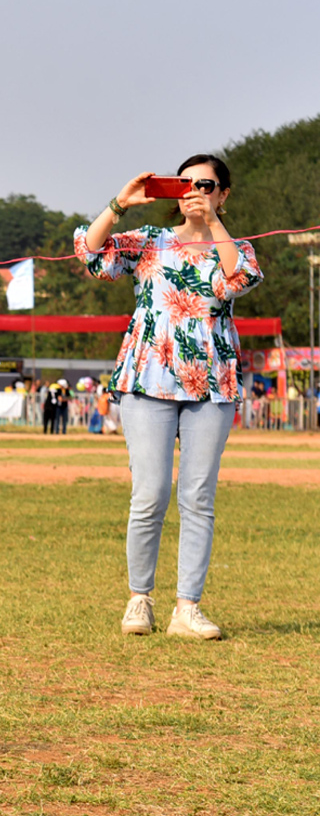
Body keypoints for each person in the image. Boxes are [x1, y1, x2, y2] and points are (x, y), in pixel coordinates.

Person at [75, 154, 262, 641]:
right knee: (150, 493)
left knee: (198, 496)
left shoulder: (235, 246)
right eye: (187, 183)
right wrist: (120, 202)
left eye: (207, 184)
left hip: (211, 382)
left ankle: (188, 608)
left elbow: (238, 278)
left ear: (223, 193)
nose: (196, 190)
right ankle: (140, 600)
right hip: (148, 379)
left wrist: (212, 221)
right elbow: (91, 253)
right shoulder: (151, 242)